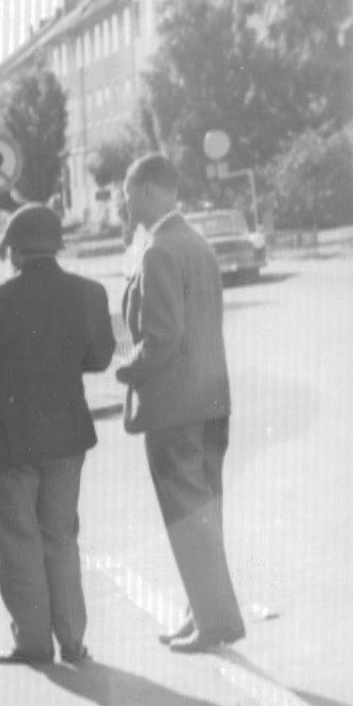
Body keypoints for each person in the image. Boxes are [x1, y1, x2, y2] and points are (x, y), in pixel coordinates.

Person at [0, 202, 116, 665]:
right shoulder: (90, 293)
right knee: (61, 536)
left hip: (7, 443)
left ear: (15, 252)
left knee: (19, 541)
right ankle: (73, 639)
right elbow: (99, 358)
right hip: (66, 437)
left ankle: (33, 642)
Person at [115, 153, 245, 653]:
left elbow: (161, 340)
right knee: (206, 512)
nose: (123, 204)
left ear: (147, 191)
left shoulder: (159, 251)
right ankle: (202, 610)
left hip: (176, 409)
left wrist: (124, 370)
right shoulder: (197, 243)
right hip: (212, 401)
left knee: (188, 516)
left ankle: (215, 621)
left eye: (126, 194)